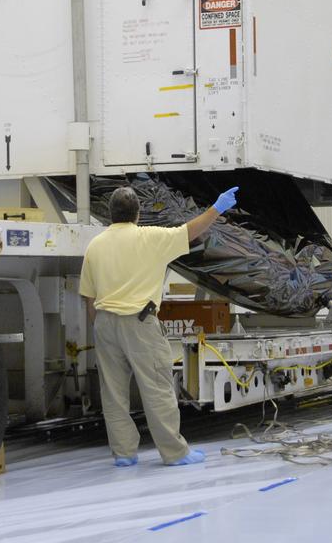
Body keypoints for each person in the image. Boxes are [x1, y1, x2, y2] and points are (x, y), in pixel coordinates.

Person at [79, 184, 239, 467]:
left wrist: (101, 326)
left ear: (110, 214)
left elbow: (88, 297)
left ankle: (124, 454)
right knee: (157, 387)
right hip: (140, 322)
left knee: (113, 393)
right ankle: (174, 452)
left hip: (104, 323)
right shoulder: (149, 238)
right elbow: (190, 231)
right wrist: (217, 207)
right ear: (137, 213)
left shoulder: (95, 245)